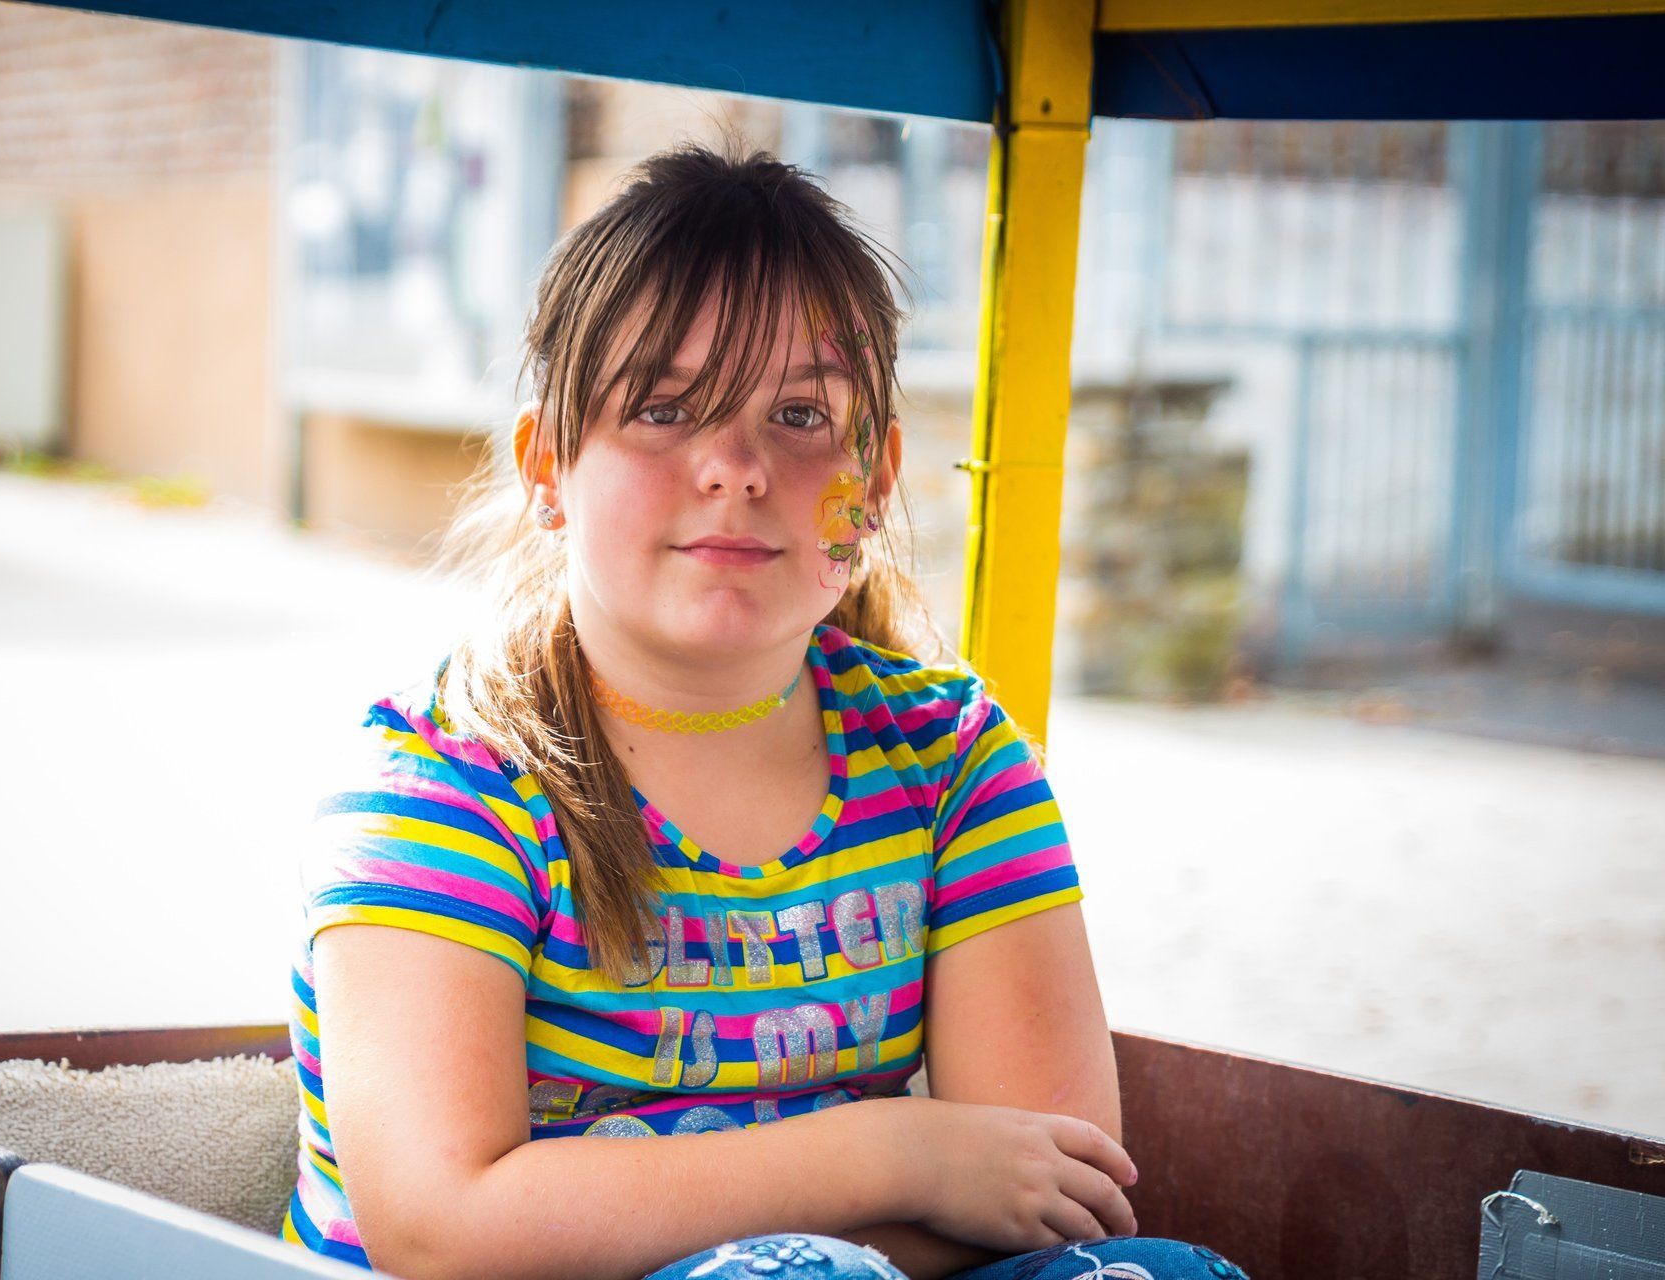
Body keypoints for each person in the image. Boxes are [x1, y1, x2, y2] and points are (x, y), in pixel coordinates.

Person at [278, 137, 1250, 1280]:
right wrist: (898, 1153)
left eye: (799, 415)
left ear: (874, 481)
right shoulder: (441, 783)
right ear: (546, 466)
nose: (734, 467)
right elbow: (443, 1226)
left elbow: (1053, 1188)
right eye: (663, 407)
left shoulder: (949, 757)